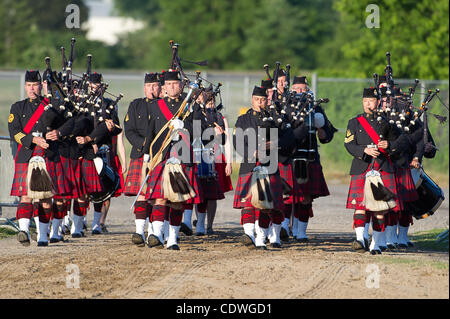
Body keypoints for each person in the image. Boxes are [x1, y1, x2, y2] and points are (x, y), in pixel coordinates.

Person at [233, 86, 305, 249]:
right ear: (252, 100)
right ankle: (250, 235)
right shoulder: (243, 120)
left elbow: (290, 138)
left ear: (267, 100)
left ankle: (270, 237)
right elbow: (238, 141)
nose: (260, 102)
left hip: (270, 165)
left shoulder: (276, 118)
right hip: (250, 165)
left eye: (263, 99)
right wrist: (251, 152)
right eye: (257, 99)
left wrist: (276, 143)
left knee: (270, 205)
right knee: (249, 203)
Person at [344, 87, 408, 254]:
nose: (367, 104)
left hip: (382, 167)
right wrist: (363, 150)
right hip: (362, 167)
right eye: (365, 101)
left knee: (380, 209)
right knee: (360, 207)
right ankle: (360, 239)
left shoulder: (387, 123)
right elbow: (349, 144)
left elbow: (402, 140)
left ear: (378, 102)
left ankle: (376, 244)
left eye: (371, 101)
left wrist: (389, 145)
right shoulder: (355, 122)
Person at [9, 70, 69, 246]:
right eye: (28, 85)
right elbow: (14, 132)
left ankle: (43, 235)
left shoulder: (53, 105)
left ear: (41, 86)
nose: (31, 88)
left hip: (47, 155)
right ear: (25, 86)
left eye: (35, 85)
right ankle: (24, 230)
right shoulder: (17, 107)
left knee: (45, 197)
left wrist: (58, 133)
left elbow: (69, 122)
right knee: (25, 196)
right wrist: (32, 139)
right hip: (26, 155)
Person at [144, 69, 203, 250]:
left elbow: (199, 132)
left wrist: (183, 126)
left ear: (181, 85)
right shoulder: (155, 106)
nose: (172, 87)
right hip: (161, 156)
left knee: (177, 201)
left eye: (175, 84)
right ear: (164, 87)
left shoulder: (191, 107)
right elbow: (151, 132)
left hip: (182, 156)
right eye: (168, 84)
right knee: (160, 199)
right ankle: (157, 235)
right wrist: (147, 153)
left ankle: (173, 238)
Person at [124, 72, 161, 246]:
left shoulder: (163, 106)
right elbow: (129, 130)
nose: (151, 89)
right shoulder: (135, 105)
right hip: (140, 154)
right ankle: (139, 231)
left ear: (160, 88)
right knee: (142, 195)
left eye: (154, 86)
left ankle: (154, 232)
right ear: (144, 87)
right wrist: (144, 144)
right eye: (148, 86)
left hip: (160, 155)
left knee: (157, 195)